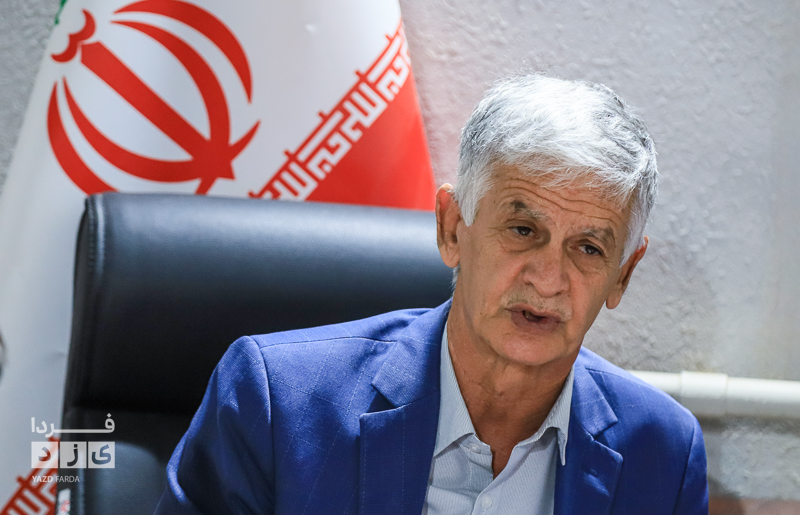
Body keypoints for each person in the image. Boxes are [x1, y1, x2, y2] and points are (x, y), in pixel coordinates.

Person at [155, 74, 708, 514]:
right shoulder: (278, 401)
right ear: (451, 228)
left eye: (588, 248)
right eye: (522, 230)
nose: (548, 279)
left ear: (622, 275)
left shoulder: (663, 454)